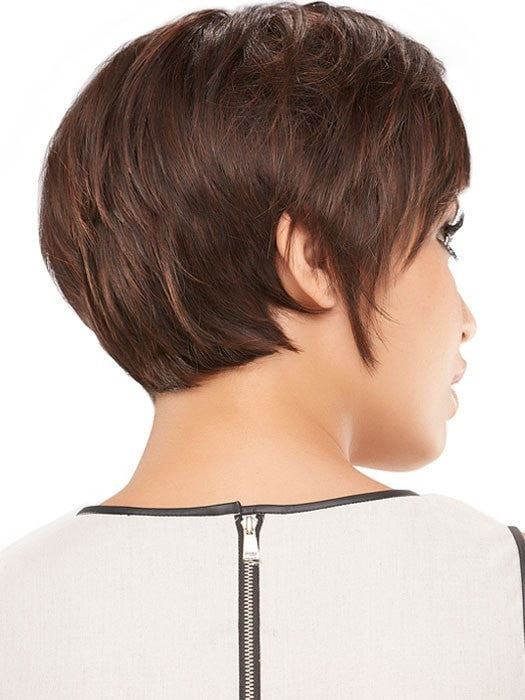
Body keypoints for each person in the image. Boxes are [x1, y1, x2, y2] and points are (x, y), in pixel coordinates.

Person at [1, 2, 524, 697]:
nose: (466, 320)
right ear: (317, 260)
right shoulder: (503, 590)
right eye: (441, 235)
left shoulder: (14, 609)